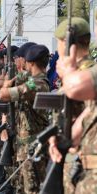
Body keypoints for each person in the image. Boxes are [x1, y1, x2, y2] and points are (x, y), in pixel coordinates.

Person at [48, 14, 97, 194]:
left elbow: (76, 87)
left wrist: (67, 73)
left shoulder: (84, 74)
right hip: (77, 167)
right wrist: (57, 138)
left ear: (65, 44)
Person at [0, 45, 51, 194]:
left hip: (33, 147)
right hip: (27, 145)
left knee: (31, 188)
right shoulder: (35, 81)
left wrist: (7, 84)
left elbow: (3, 94)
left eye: (26, 61)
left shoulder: (37, 84)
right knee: (22, 187)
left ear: (31, 63)